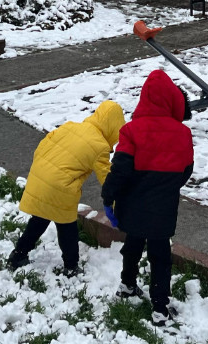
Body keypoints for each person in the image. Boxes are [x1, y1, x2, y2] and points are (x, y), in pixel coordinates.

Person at [101, 70, 194, 327]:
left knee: (132, 245)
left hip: (132, 204)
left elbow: (120, 168)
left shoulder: (131, 130)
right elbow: (186, 169)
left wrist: (109, 196)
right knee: (160, 256)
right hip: (163, 207)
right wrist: (166, 187)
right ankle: (160, 307)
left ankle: (127, 285)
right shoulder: (182, 133)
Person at [8, 99, 126, 276]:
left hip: (39, 176)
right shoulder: (99, 146)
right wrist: (121, 206)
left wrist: (43, 172)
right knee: (67, 228)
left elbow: (43, 145)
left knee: (39, 219)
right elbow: (109, 181)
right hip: (60, 187)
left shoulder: (70, 126)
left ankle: (17, 255)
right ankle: (71, 267)